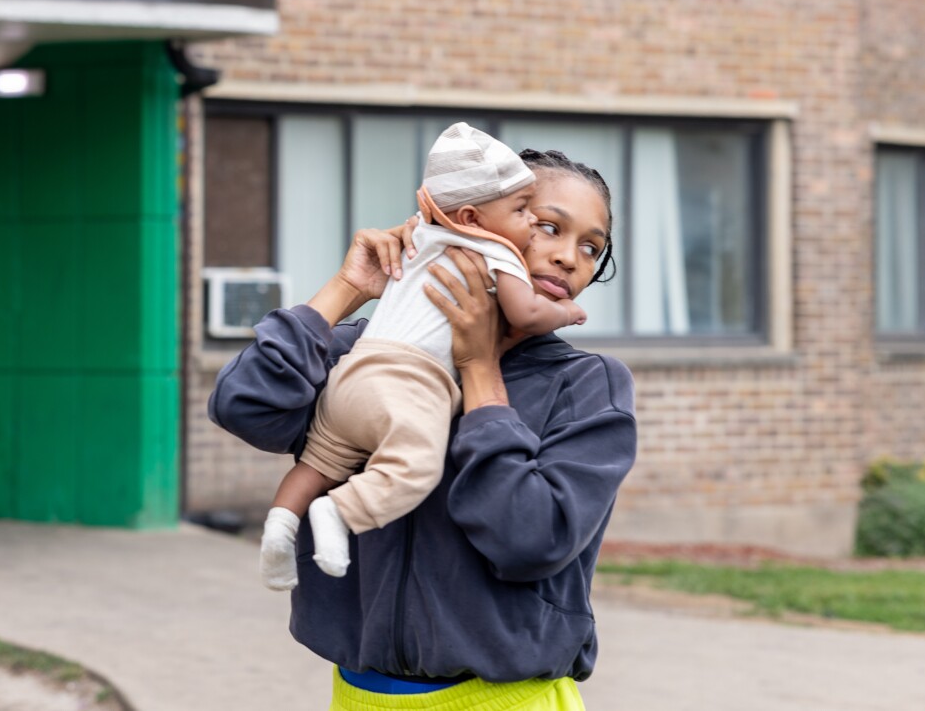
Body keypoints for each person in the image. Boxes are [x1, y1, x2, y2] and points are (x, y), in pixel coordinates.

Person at [209, 149, 635, 710]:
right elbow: (244, 406)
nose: (567, 258)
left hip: (508, 701)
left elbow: (533, 539)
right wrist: (346, 288)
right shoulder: (367, 353)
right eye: (548, 227)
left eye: (591, 247)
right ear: (480, 220)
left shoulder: (585, 385)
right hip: (360, 698)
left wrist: (480, 375)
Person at [259, 123, 586, 591]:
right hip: (408, 382)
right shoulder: (496, 250)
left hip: (354, 371)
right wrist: (566, 312)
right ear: (473, 217)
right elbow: (525, 311)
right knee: (413, 466)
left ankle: (280, 525)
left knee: (318, 462)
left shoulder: (421, 237)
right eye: (525, 211)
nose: (531, 225)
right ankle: (337, 511)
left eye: (591, 247)